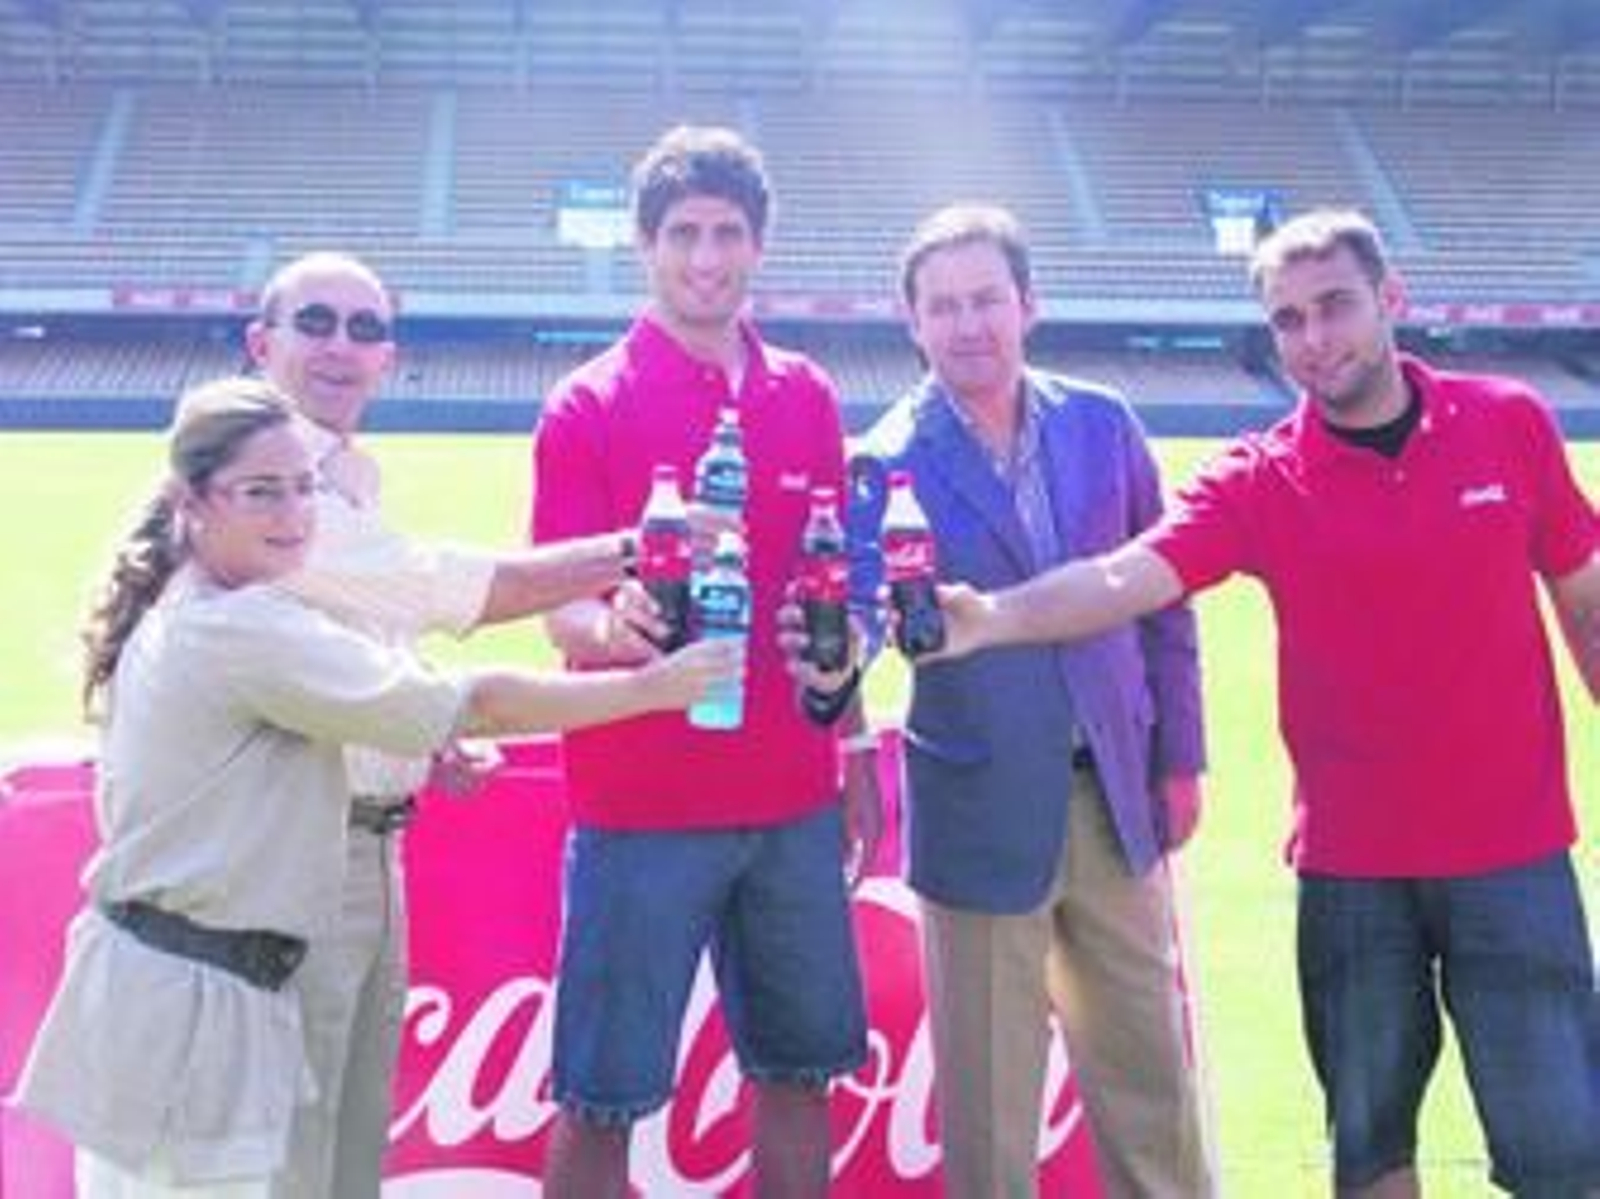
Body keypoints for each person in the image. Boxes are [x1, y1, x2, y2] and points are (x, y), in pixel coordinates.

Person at [928, 208, 1600, 1199]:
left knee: (1564, 1157)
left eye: (1333, 306)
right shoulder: (1261, 476)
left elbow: (1583, 596)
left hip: (1513, 857)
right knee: (1371, 1154)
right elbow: (1121, 580)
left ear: (1391, 299)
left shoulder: (1507, 420)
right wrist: (987, 617)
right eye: (1287, 320)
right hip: (1351, 875)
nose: (1314, 338)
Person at [13, 377, 736, 1198]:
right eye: (261, 492)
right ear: (193, 501)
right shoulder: (241, 625)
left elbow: (349, 695)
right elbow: (476, 697)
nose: (292, 514)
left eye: (303, 488)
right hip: (192, 1014)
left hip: (171, 997)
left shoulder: (208, 603)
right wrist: (658, 689)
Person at [243, 250, 653, 1198]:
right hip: (293, 856)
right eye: (317, 323)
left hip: (374, 851)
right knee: (292, 1155)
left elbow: (355, 628)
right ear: (261, 342)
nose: (343, 347)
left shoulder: (348, 474)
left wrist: (416, 732)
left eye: (367, 328)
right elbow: (444, 587)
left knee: (349, 1150)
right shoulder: (262, 480)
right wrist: (640, 547)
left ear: (391, 356)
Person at [529, 124, 878, 1198]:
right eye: (683, 232)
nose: (706, 256)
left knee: (798, 1072)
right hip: (638, 804)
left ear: (758, 245)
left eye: (728, 232)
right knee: (602, 1094)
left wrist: (851, 735)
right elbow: (560, 610)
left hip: (788, 797)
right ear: (645, 244)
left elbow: (830, 593)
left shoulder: (805, 394)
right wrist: (617, 629)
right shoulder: (588, 401)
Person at [843, 202, 1214, 1198]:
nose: (969, 324)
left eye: (986, 299)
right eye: (944, 306)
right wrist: (833, 684)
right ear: (911, 322)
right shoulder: (882, 460)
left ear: (1028, 304)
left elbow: (1167, 598)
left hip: (1113, 797)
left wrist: (1181, 755)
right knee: (990, 1103)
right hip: (978, 808)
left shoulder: (1103, 421)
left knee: (1150, 1083)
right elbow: (856, 625)